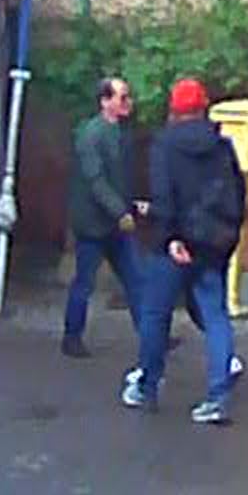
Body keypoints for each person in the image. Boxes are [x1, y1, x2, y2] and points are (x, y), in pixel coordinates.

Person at [122, 78, 243, 426]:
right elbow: (236, 194)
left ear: (174, 109)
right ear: (204, 107)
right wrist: (227, 238)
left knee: (155, 314)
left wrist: (171, 237)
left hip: (176, 245)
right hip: (213, 244)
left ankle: (147, 385)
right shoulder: (222, 146)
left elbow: (163, 195)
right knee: (216, 316)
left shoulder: (165, 145)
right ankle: (218, 396)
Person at [63, 77, 141, 358]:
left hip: (115, 222)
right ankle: (72, 336)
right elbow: (96, 181)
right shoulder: (91, 135)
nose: (128, 102)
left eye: (128, 96)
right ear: (105, 101)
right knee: (84, 282)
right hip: (93, 223)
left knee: (136, 279)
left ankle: (152, 334)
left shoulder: (121, 133)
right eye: (122, 97)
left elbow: (120, 179)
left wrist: (130, 206)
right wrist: (120, 211)